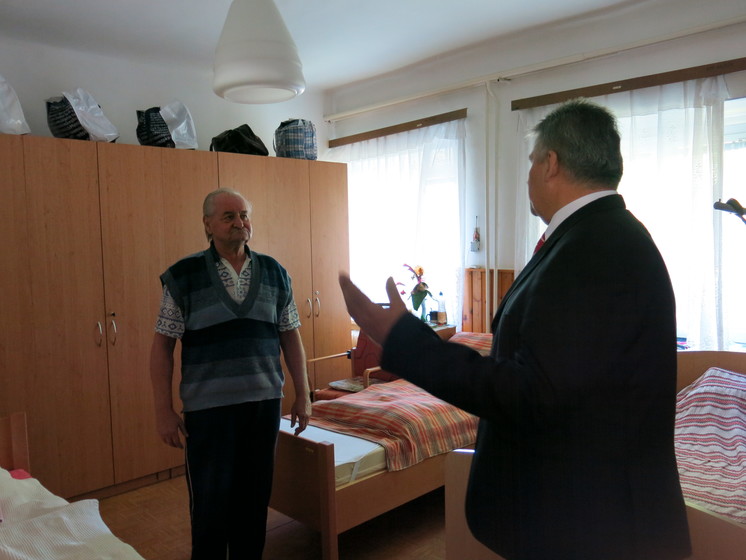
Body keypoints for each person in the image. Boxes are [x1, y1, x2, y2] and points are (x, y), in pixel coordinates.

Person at [339, 99, 691, 560]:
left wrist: (404, 339)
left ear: (551, 163)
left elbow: (532, 394)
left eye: (530, 162)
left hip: (586, 525)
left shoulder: (596, 249)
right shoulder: (596, 237)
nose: (527, 176)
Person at [150, 187, 311, 560]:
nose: (240, 223)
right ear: (207, 224)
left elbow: (290, 336)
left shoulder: (275, 273)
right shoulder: (183, 276)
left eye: (244, 215)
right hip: (208, 412)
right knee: (210, 506)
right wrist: (163, 410)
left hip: (263, 406)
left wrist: (303, 395)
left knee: (254, 503)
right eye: (229, 216)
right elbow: (162, 347)